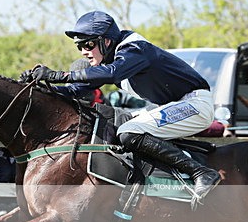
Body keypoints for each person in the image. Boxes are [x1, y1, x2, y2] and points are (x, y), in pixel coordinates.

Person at [20, 10, 221, 202]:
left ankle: (201, 172)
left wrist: (58, 76)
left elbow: (113, 73)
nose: (84, 52)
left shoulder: (135, 49)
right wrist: (35, 89)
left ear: (106, 41)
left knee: (128, 132)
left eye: (88, 45)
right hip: (178, 105)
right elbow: (74, 91)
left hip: (195, 104)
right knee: (122, 130)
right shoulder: (111, 59)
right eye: (79, 47)